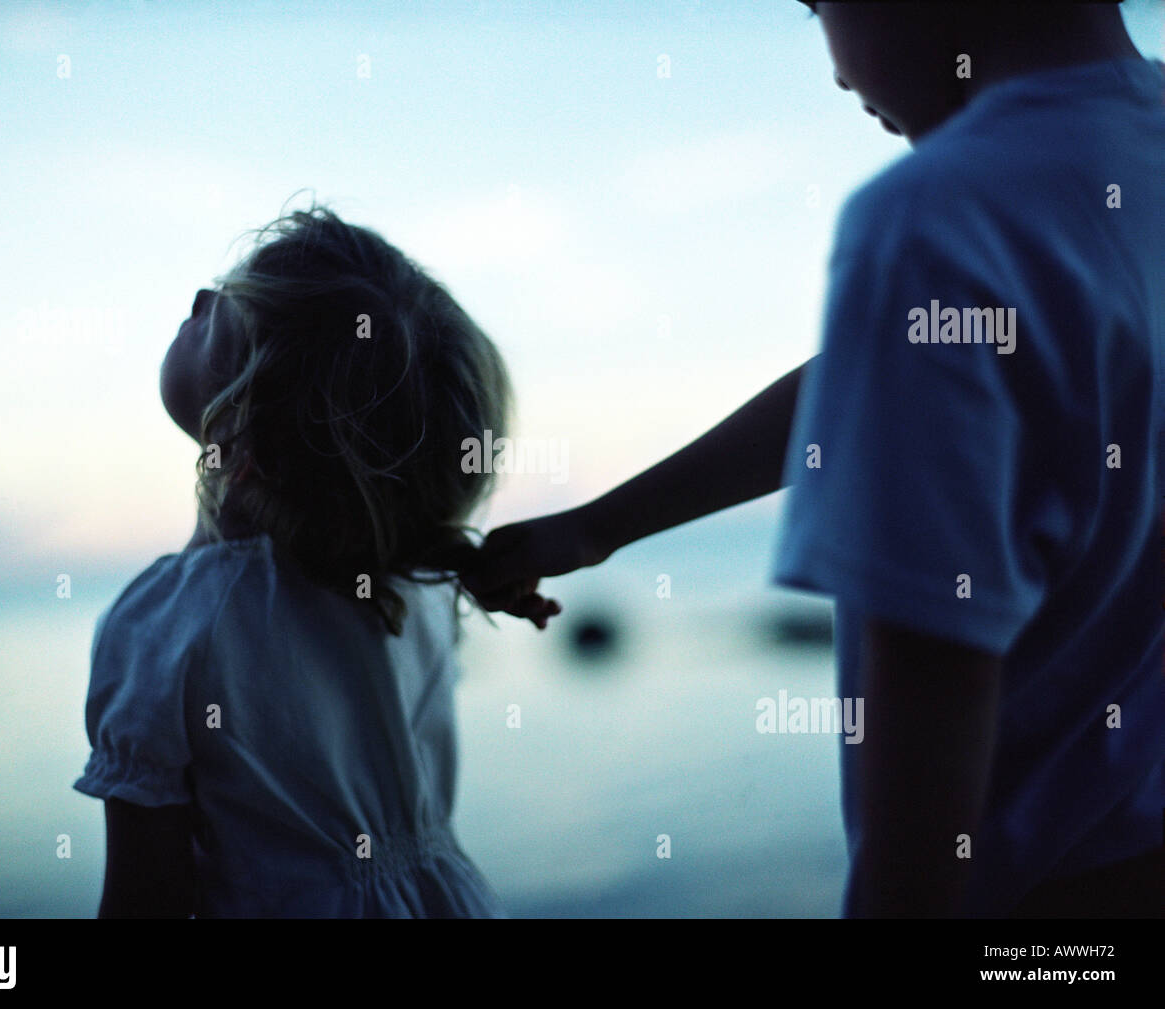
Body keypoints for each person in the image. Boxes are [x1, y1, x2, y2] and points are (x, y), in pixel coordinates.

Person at [464, 1, 1165, 917]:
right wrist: (601, 526)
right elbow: (890, 365)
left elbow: (927, 721)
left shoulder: (935, 223)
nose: (835, 70)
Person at [74, 202, 510, 917]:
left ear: (251, 447)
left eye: (225, 319)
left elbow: (142, 901)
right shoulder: (415, 586)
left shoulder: (167, 627)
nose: (200, 298)